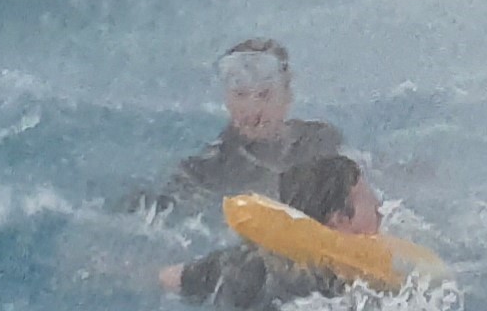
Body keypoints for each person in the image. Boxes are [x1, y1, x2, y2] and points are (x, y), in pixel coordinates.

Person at [161, 149, 371, 311]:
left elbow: (168, 278)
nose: (379, 215)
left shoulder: (245, 263)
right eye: (373, 208)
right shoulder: (357, 283)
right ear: (339, 219)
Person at [147, 40, 348, 213]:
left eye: (264, 95)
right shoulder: (204, 173)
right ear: (227, 99)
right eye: (240, 94)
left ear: (287, 97)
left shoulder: (320, 141)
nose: (252, 109)